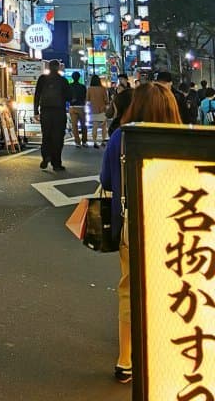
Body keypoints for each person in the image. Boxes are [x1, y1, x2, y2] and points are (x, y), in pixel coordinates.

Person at [100, 81, 182, 384]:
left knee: (130, 290)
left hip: (132, 225)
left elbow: (106, 181)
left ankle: (126, 361)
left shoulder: (121, 137)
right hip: (176, 225)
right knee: (174, 286)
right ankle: (169, 351)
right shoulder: (181, 138)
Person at [33, 59, 72, 171]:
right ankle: (56, 163)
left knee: (46, 135)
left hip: (45, 111)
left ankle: (46, 156)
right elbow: (69, 96)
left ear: (49, 67)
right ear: (58, 67)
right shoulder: (63, 80)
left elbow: (37, 95)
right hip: (59, 112)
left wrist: (36, 111)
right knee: (58, 137)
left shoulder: (42, 79)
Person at [86, 74, 109, 147]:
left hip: (93, 110)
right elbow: (106, 100)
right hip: (102, 109)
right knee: (104, 126)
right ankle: (103, 141)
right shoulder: (103, 89)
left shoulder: (89, 89)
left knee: (94, 126)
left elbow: (87, 99)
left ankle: (95, 142)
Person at [68, 70, 88, 147]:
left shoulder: (69, 86)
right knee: (83, 125)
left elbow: (67, 97)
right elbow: (85, 97)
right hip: (81, 107)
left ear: (72, 78)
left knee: (74, 125)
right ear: (79, 78)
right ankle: (84, 141)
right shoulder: (83, 87)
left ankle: (77, 142)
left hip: (72, 107)